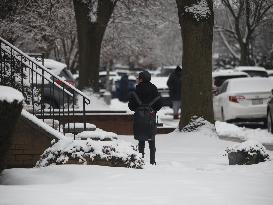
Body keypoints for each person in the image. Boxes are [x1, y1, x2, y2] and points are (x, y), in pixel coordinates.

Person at [128, 70, 162, 165]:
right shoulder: (154, 89)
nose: (138, 80)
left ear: (141, 79)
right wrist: (152, 110)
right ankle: (152, 161)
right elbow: (159, 104)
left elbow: (131, 106)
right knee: (152, 139)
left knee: (141, 140)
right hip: (151, 117)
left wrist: (139, 109)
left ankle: (141, 160)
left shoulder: (137, 90)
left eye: (138, 78)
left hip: (139, 119)